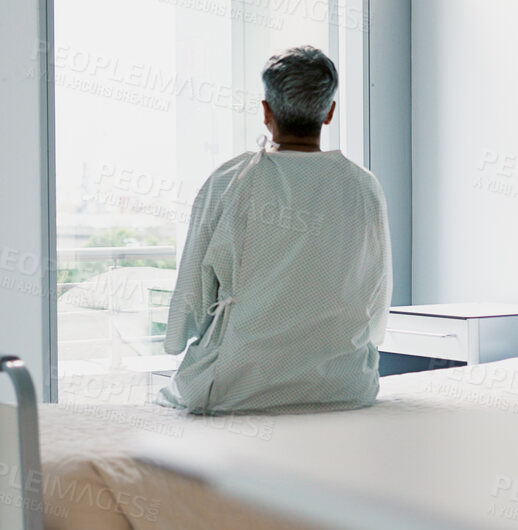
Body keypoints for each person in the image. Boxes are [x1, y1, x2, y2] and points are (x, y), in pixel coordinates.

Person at [159, 46, 392, 413]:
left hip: (237, 386)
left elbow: (193, 292)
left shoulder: (230, 181)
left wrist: (177, 341)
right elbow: (377, 291)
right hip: (346, 386)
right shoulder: (363, 187)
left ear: (266, 111)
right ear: (329, 112)